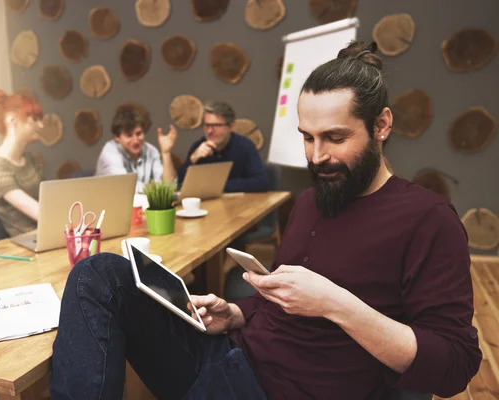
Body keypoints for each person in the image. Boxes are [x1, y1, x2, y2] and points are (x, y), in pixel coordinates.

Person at [50, 41, 481, 399]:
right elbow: (286, 300)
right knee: (97, 273)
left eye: (335, 137)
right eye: (307, 138)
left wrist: (336, 304)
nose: (316, 157)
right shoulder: (311, 202)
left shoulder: (427, 219)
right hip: (230, 354)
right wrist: (237, 311)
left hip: (281, 390)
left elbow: (454, 364)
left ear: (382, 125)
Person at [0, 90, 44, 237]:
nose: (40, 125)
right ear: (12, 120)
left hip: (47, 236)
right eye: (34, 119)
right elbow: (42, 214)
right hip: (28, 245)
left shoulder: (30, 160)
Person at [177, 101, 269, 193]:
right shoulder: (198, 146)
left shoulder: (245, 146)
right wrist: (192, 159)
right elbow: (179, 184)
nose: (209, 131)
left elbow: (261, 182)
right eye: (207, 125)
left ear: (231, 127)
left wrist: (219, 186)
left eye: (216, 126)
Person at [95, 108, 177, 193]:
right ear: (117, 137)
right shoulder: (109, 152)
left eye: (139, 134)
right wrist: (158, 189)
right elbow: (126, 186)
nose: (135, 140)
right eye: (129, 135)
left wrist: (166, 153)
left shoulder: (151, 150)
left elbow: (169, 187)